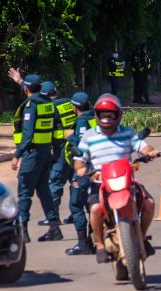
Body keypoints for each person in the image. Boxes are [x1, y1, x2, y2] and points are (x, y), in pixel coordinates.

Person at [73, 94, 161, 264]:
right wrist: (81, 169)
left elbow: (142, 146)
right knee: (95, 209)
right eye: (104, 114)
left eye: (110, 114)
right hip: (100, 184)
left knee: (149, 203)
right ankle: (99, 245)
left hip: (126, 183)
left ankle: (141, 237)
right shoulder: (89, 136)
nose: (107, 118)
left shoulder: (127, 133)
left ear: (118, 115)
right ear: (97, 115)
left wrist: (150, 151)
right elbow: (79, 161)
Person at [11, 74, 62, 243]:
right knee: (43, 190)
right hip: (45, 153)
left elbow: (27, 134)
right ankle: (54, 228)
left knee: (24, 191)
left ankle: (23, 231)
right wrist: (55, 151)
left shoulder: (30, 105)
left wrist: (17, 155)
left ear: (26, 89)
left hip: (32, 154)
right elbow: (56, 130)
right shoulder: (49, 104)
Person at [41, 81, 77, 240]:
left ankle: (53, 217)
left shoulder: (51, 108)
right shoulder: (69, 103)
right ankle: (76, 214)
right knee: (75, 181)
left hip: (62, 149)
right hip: (76, 147)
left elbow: (49, 131)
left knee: (55, 182)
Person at [64, 92, 98, 256]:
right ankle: (96, 241)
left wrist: (70, 138)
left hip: (86, 168)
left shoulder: (82, 121)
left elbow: (82, 144)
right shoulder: (95, 117)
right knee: (92, 204)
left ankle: (84, 244)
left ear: (74, 107)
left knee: (77, 205)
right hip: (99, 166)